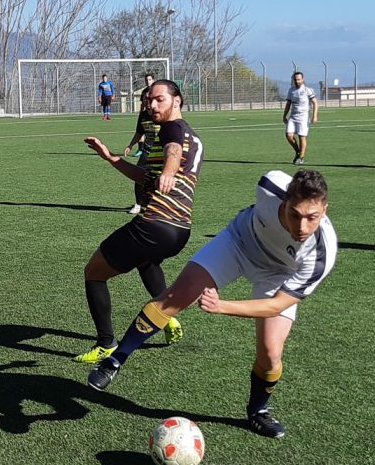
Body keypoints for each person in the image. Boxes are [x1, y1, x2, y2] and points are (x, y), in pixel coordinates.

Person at [87, 169, 337, 440]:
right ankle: (114, 361)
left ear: (324, 209)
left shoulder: (322, 253)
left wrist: (222, 305)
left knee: (270, 353)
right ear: (284, 202)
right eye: (295, 214)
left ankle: (258, 412)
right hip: (239, 243)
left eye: (312, 218)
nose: (302, 227)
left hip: (277, 275)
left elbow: (276, 305)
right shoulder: (269, 185)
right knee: (178, 295)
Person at [75, 79, 204, 364]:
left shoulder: (173, 128)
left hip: (155, 223)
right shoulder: (191, 136)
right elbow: (145, 177)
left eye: (159, 99)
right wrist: (110, 158)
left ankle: (106, 344)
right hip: (179, 229)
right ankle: (167, 317)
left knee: (94, 272)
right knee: (145, 261)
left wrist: (169, 171)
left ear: (177, 100)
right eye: (149, 101)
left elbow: (173, 152)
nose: (152, 105)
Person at [123, 73, 157, 215]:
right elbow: (139, 133)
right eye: (144, 99)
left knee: (158, 179)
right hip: (147, 151)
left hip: (160, 152)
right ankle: (138, 204)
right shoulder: (143, 116)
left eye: (149, 99)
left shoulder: (160, 113)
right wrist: (130, 145)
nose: (147, 102)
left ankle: (156, 205)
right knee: (139, 176)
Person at [282, 72, 318, 165]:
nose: (297, 81)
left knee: (302, 136)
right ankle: (297, 151)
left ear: (303, 79)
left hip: (303, 117)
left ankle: (301, 157)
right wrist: (284, 115)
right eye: (295, 79)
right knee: (289, 135)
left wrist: (314, 116)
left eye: (298, 79)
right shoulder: (291, 90)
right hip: (293, 116)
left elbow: (315, 103)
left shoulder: (308, 90)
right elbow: (288, 104)